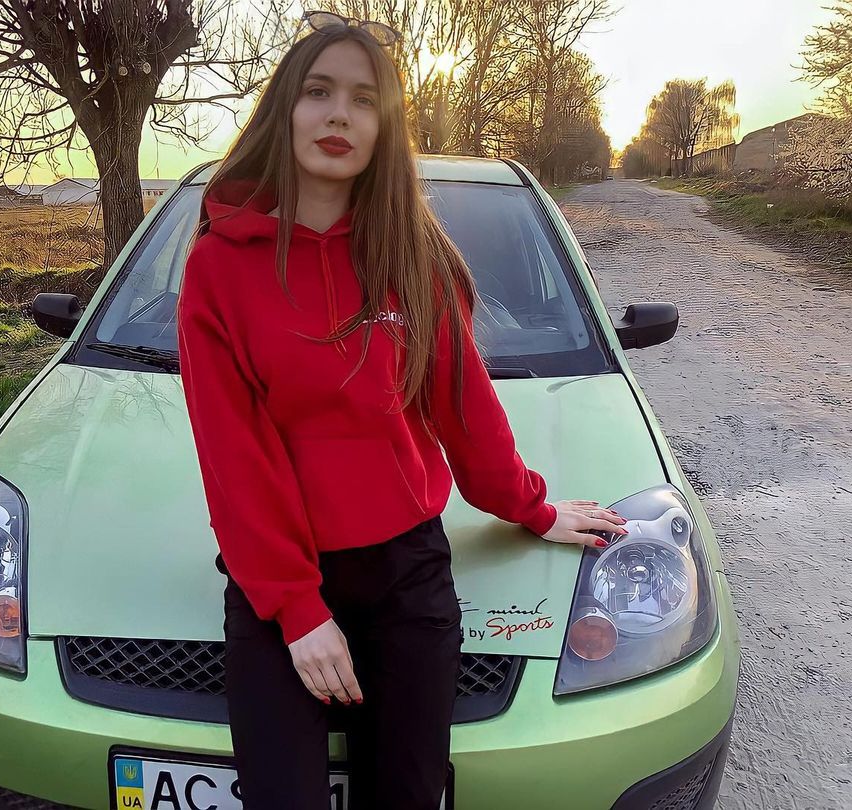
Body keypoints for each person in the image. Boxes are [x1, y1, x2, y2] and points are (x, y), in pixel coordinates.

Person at [175, 10, 628, 810]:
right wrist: (297, 610)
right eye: (319, 92)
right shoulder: (220, 267)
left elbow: (465, 407)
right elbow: (234, 454)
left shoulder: (412, 259)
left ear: (386, 127)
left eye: (364, 99)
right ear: (285, 109)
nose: (339, 115)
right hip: (280, 583)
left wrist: (532, 507)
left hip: (405, 578)